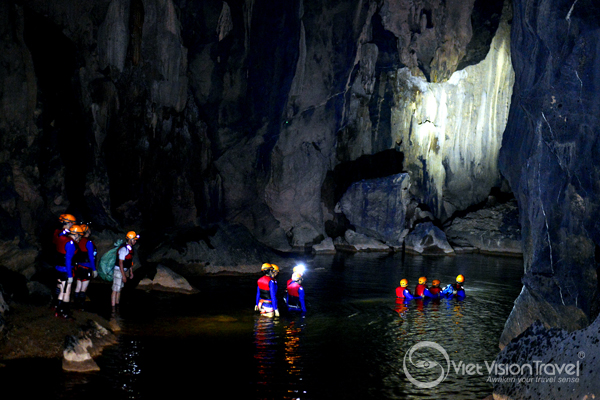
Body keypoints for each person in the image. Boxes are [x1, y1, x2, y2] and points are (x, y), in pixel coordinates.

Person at [53, 224, 84, 319]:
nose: (80, 238)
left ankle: (58, 311)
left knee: (62, 291)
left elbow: (59, 235)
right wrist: (70, 275)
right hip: (66, 270)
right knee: (66, 291)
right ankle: (65, 312)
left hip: (58, 268)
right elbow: (68, 260)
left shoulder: (61, 238)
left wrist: (65, 231)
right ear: (76, 234)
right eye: (79, 236)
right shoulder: (71, 244)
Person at [111, 231, 139, 310]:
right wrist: (123, 276)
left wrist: (130, 272)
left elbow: (129, 261)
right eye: (134, 240)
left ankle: (117, 305)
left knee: (119, 289)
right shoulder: (124, 249)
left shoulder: (130, 249)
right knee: (115, 289)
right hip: (118, 271)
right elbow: (120, 263)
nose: (135, 241)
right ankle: (113, 308)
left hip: (123, 271)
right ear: (129, 239)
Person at [73, 223, 98, 310]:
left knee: (78, 286)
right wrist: (94, 269)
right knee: (83, 288)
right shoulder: (89, 242)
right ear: (87, 231)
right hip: (86, 267)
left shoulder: (78, 241)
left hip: (78, 267)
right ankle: (81, 306)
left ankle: (76, 304)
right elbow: (91, 257)